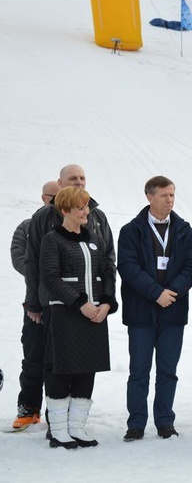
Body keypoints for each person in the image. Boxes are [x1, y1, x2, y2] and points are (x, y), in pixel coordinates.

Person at [23, 165, 114, 436]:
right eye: (73, 179)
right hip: (59, 309)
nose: (80, 182)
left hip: (94, 311)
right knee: (54, 366)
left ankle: (77, 427)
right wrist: (34, 304)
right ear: (61, 183)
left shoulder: (97, 222)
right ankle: (57, 427)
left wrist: (107, 303)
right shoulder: (44, 222)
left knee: (86, 368)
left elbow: (108, 264)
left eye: (83, 178)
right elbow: (38, 268)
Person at [118, 176, 192, 442]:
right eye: (164, 195)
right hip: (141, 312)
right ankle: (136, 424)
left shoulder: (185, 230)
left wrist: (170, 293)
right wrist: (156, 293)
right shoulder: (131, 230)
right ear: (149, 197)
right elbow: (128, 268)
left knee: (167, 371)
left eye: (172, 195)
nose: (169, 200)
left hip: (172, 312)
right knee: (139, 371)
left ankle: (165, 421)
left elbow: (191, 267)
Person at [10, 180, 59, 430]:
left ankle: (57, 411)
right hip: (34, 302)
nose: (55, 200)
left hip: (61, 305)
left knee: (59, 361)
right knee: (32, 357)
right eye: (52, 196)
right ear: (43, 197)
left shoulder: (69, 223)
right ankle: (28, 408)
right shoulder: (28, 226)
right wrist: (47, 271)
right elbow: (20, 259)